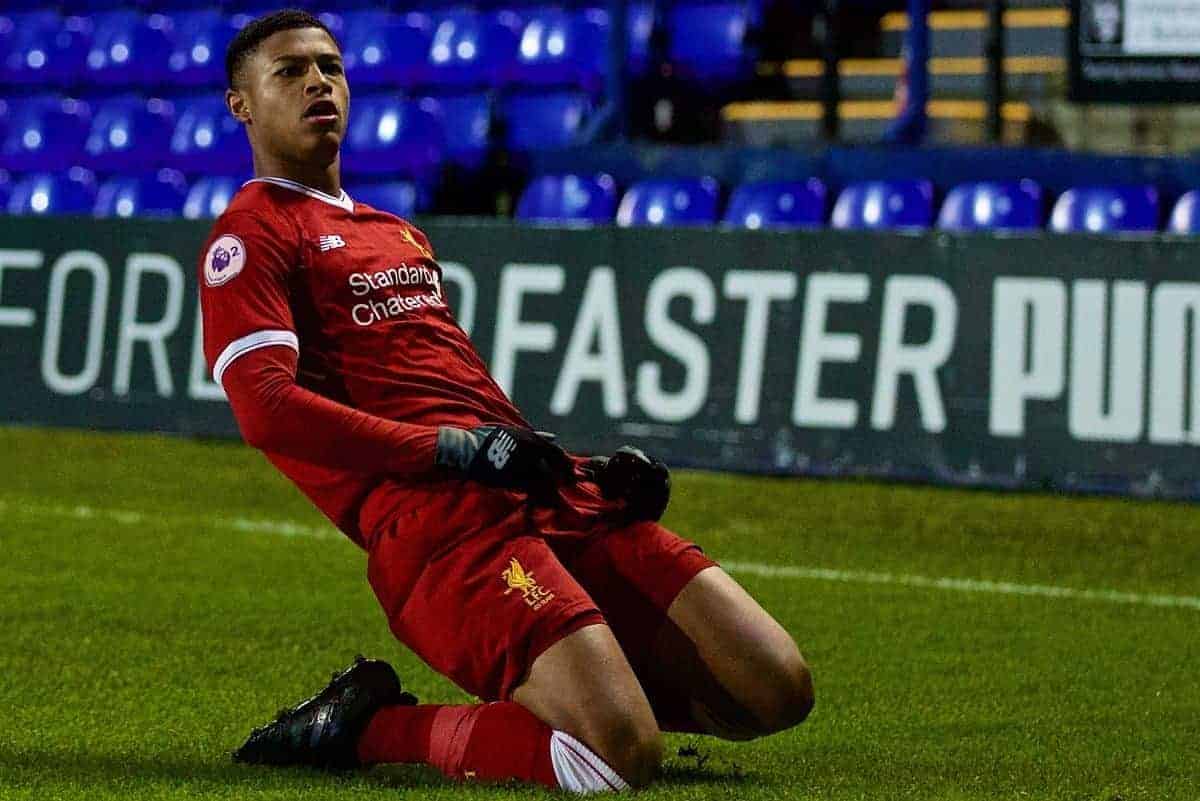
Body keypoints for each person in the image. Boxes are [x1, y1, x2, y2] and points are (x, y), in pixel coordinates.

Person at [200, 9, 814, 792]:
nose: (319, 81)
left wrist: (594, 472)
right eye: (290, 71)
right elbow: (266, 408)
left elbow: (455, 392)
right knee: (615, 760)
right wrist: (450, 452)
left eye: (331, 67)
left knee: (774, 687)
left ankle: (587, 696)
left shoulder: (396, 232)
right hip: (439, 532)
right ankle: (367, 727)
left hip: (544, 491)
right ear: (240, 104)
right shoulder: (251, 235)